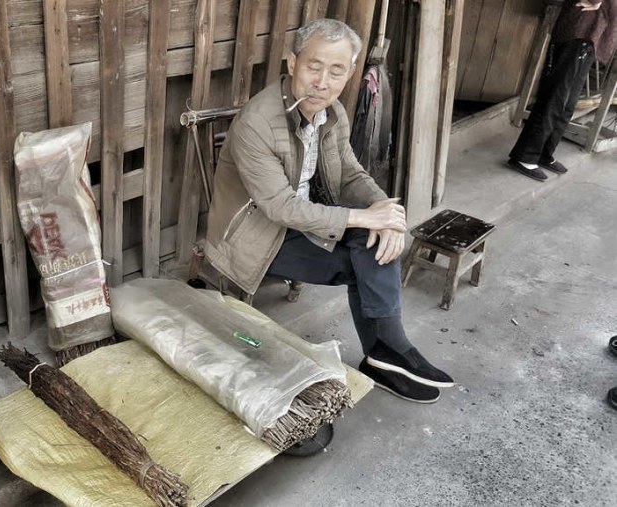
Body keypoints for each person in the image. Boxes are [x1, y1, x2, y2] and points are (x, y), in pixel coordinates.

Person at [204, 19, 453, 404]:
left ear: (350, 72)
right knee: (366, 263)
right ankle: (388, 352)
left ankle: (384, 356)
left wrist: (385, 211)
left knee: (375, 244)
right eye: (313, 66)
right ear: (292, 64)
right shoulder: (256, 122)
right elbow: (279, 206)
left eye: (336, 70)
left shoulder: (331, 111)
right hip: (256, 238)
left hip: (310, 219)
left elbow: (351, 173)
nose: (322, 81)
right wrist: (363, 218)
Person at [508, 0, 617, 181]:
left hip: (592, 34)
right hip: (579, 29)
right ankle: (524, 156)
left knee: (567, 104)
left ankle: (544, 153)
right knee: (554, 98)